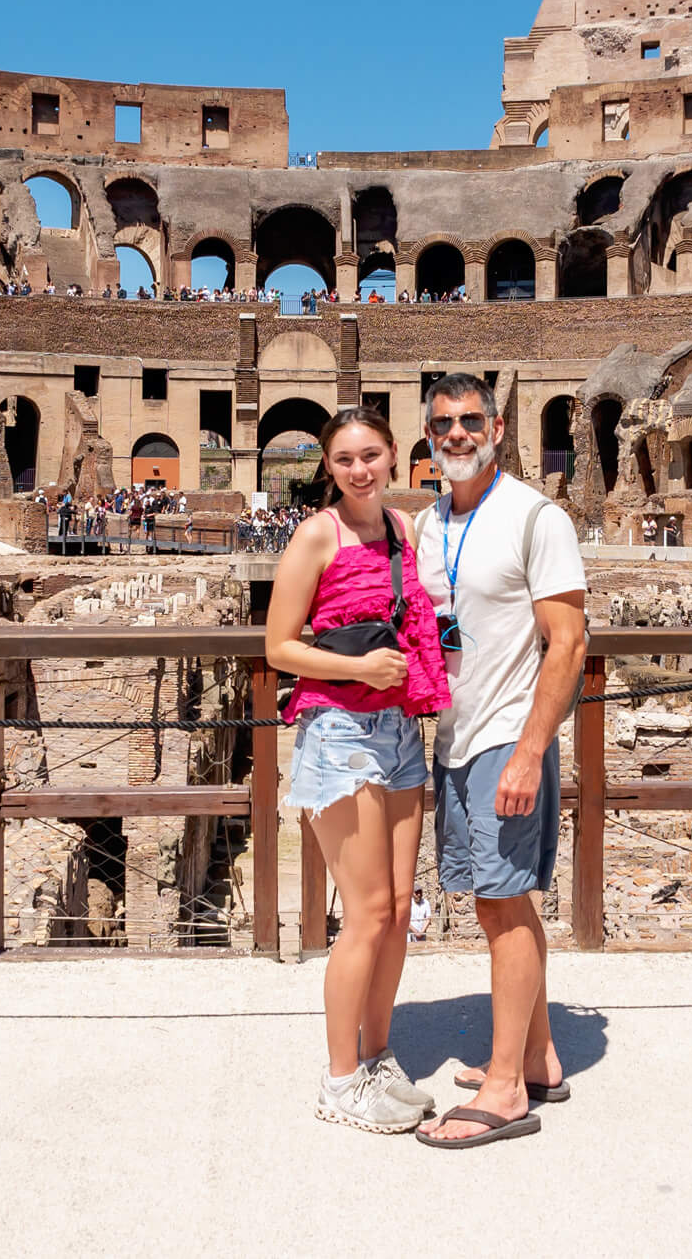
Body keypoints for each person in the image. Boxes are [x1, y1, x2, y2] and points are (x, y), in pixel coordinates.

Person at [265, 407, 450, 1135]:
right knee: (367, 913)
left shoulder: (404, 530)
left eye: (370, 454)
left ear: (395, 456)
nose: (359, 469)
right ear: (329, 468)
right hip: (340, 733)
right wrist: (358, 665)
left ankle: (376, 1057)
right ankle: (340, 1080)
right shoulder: (317, 534)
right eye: (345, 459)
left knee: (401, 910)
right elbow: (279, 645)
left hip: (401, 728)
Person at [413, 373, 587, 1149]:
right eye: (443, 422)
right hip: (456, 734)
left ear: (498, 424)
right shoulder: (429, 523)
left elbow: (570, 642)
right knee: (498, 902)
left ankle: (508, 1086)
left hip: (505, 739)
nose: (456, 433)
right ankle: (538, 1054)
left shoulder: (535, 516)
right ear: (428, 432)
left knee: (502, 905)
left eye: (470, 419)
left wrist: (529, 750)